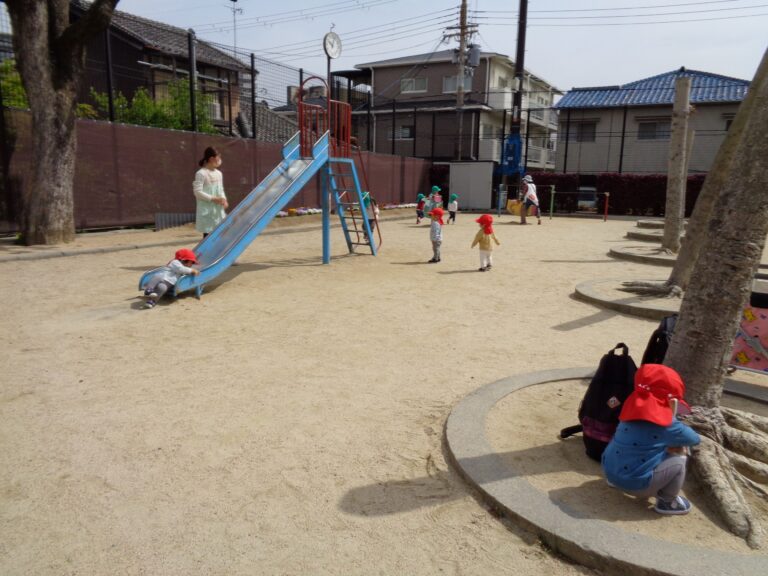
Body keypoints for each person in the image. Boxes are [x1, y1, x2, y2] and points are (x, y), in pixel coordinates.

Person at [601, 364, 700, 515]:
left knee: (623, 440)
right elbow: (694, 439)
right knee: (680, 456)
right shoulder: (669, 425)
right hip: (637, 486)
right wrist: (673, 423)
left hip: (610, 472)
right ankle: (667, 502)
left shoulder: (628, 409)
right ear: (671, 401)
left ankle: (615, 480)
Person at [193, 146, 228, 238]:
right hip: (207, 211)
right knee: (208, 235)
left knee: (220, 233)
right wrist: (213, 198)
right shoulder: (201, 173)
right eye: (218, 157)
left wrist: (224, 199)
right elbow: (197, 192)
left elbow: (220, 189)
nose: (220, 160)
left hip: (218, 210)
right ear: (212, 158)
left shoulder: (219, 173)